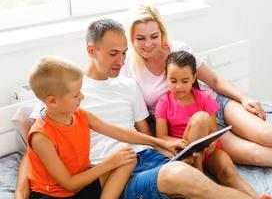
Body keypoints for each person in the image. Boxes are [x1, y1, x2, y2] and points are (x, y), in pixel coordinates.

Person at [15, 19, 255, 199]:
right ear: (91, 51)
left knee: (200, 168)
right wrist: (19, 195)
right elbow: (34, 152)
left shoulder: (128, 85)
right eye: (113, 54)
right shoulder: (64, 90)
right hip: (117, 171)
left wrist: (165, 145)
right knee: (181, 177)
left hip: (148, 156)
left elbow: (141, 133)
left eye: (124, 53)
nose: (121, 61)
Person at [121, 4, 272, 168]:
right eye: (140, 38)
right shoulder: (129, 69)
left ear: (162, 32)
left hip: (216, 103)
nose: (148, 44)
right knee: (256, 154)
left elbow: (215, 81)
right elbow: (140, 118)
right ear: (131, 39)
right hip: (196, 128)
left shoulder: (179, 49)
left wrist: (244, 98)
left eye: (154, 36)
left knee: (265, 134)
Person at [26, 55, 184, 199]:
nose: (82, 97)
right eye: (75, 95)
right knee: (118, 160)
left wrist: (162, 143)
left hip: (81, 184)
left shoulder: (80, 115)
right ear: (52, 101)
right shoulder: (41, 137)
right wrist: (109, 163)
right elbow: (68, 184)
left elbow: (119, 133)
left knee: (127, 157)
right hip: (55, 194)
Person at [155, 50, 272, 199]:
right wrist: (180, 142)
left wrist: (213, 141)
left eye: (184, 81)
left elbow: (213, 130)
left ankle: (255, 197)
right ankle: (199, 175)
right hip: (185, 153)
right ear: (166, 78)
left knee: (228, 172)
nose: (178, 86)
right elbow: (161, 137)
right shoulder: (164, 102)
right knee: (200, 118)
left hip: (207, 152)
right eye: (173, 81)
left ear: (194, 78)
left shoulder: (204, 98)